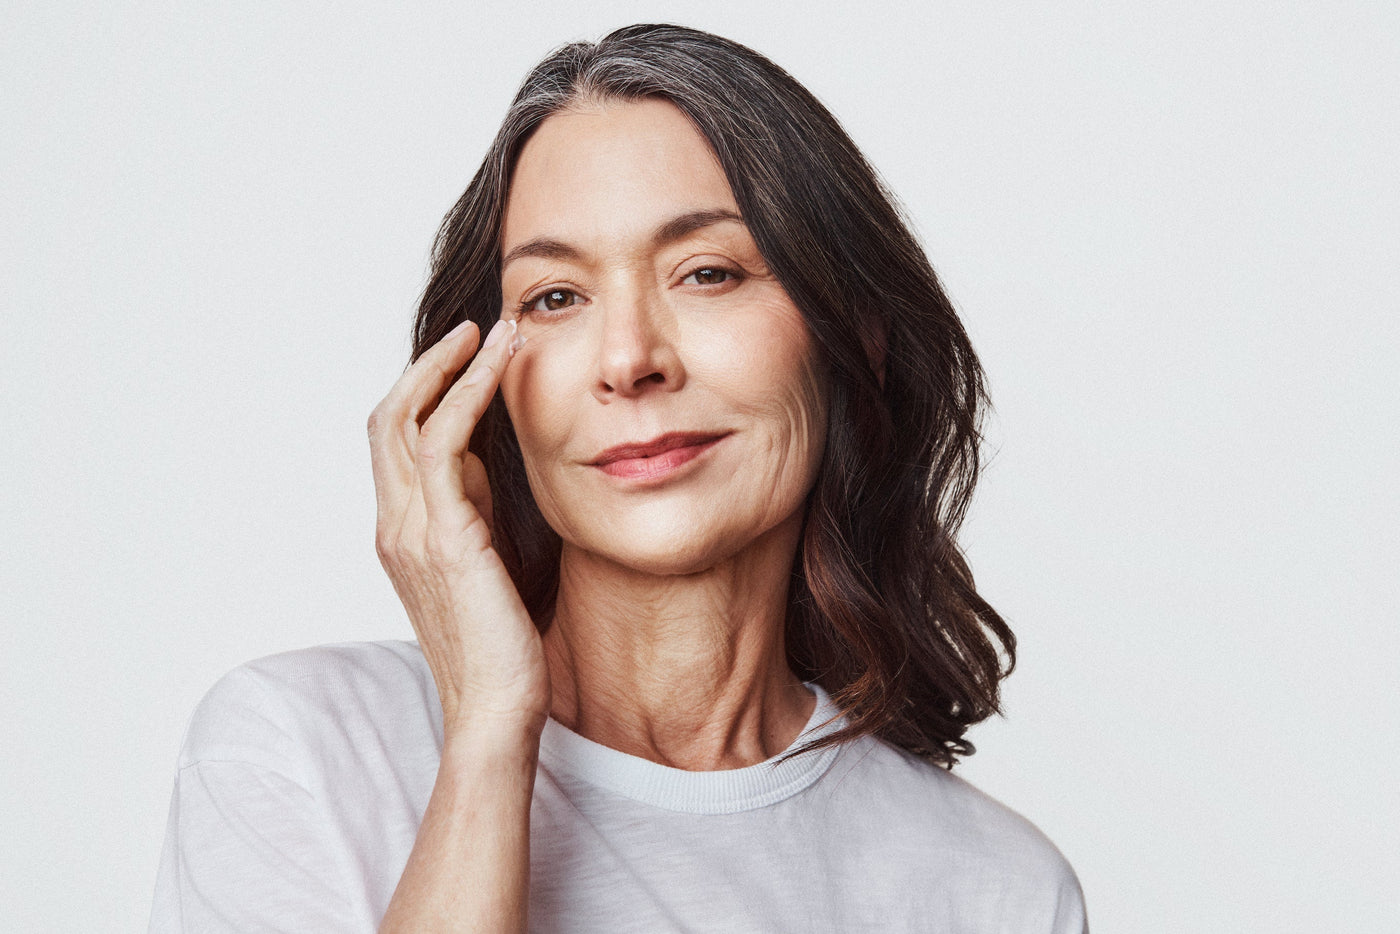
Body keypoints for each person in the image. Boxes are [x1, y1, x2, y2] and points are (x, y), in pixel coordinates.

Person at [149, 23, 1087, 933]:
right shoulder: (301, 751)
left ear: (855, 342)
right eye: (555, 297)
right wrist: (488, 736)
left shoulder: (996, 891)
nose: (628, 360)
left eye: (708, 272)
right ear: (484, 387)